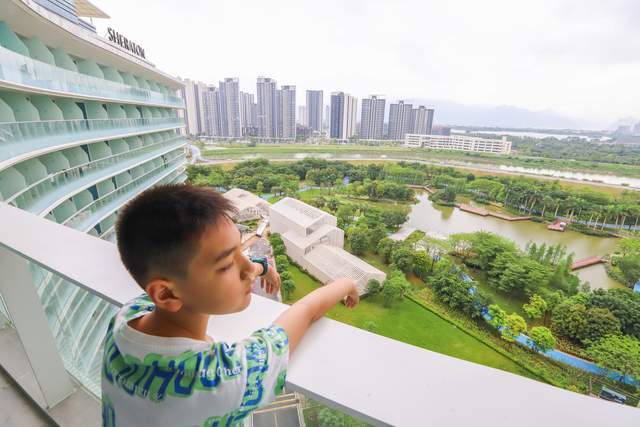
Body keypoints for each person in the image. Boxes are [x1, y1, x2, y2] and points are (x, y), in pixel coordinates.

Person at [101, 184, 359, 426]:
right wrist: (346, 282)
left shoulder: (126, 319)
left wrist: (262, 267)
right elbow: (303, 313)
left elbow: (245, 268)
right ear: (166, 293)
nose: (247, 268)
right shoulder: (219, 379)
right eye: (226, 265)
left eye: (240, 249)